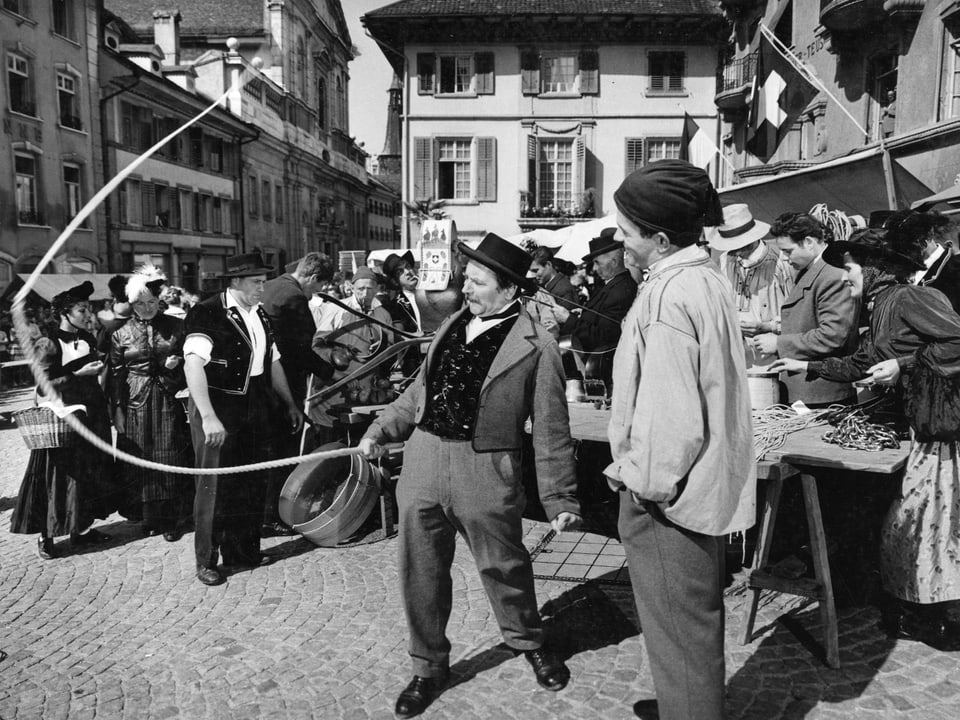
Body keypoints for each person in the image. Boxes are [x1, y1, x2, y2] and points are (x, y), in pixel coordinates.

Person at [359, 233, 581, 719]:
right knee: (420, 570)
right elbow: (417, 393)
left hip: (487, 470)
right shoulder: (450, 327)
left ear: (508, 290)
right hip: (423, 461)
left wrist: (561, 497)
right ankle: (427, 665)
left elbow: (550, 429)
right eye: (467, 280)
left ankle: (527, 638)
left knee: (505, 564)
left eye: (478, 282)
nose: (467, 290)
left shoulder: (537, 345)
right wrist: (380, 429)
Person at [605, 160, 755, 720]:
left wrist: (644, 486)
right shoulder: (704, 277)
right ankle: (687, 705)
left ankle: (689, 710)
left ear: (660, 238)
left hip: (670, 498)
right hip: (697, 485)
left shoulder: (669, 296)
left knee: (677, 628)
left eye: (627, 231)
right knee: (690, 624)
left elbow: (672, 419)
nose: (621, 240)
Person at [770, 228, 960, 649]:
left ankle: (937, 623)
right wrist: (808, 366)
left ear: (876, 268)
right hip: (912, 426)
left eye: (851, 268)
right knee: (907, 524)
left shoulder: (911, 298)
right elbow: (862, 362)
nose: (845, 276)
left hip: (935, 430)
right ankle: (910, 612)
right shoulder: (881, 305)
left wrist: (904, 365)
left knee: (922, 525)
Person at [182, 252, 304, 587]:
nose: (262, 288)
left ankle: (243, 551)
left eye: (264, 282)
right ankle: (206, 560)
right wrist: (208, 417)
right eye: (256, 282)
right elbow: (192, 366)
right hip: (218, 407)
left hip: (256, 405)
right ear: (235, 281)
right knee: (214, 486)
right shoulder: (207, 312)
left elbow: (273, 361)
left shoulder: (259, 313)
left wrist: (290, 404)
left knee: (251, 482)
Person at [10, 281, 120, 559]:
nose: (87, 314)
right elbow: (43, 383)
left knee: (86, 473)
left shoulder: (89, 338)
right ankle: (46, 536)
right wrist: (77, 375)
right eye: (81, 309)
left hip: (91, 413)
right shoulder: (48, 342)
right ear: (65, 312)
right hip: (63, 419)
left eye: (88, 309)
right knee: (57, 476)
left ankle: (80, 530)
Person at [108, 267, 192, 541]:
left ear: (159, 302)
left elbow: (191, 365)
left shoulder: (176, 327)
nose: (146, 308)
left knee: (170, 454)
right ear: (131, 304)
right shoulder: (120, 334)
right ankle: (148, 517)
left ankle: (172, 519)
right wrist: (117, 411)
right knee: (140, 456)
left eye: (152, 303)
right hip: (135, 401)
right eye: (140, 303)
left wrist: (174, 368)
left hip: (167, 398)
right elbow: (116, 376)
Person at [260, 252, 338, 535]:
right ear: (313, 278)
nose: (318, 293)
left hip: (263, 384)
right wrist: (331, 372)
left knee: (266, 451)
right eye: (319, 287)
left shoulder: (270, 286)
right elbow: (302, 350)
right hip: (283, 386)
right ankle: (274, 517)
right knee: (284, 450)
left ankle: (264, 514)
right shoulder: (294, 297)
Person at [753, 212, 860, 406]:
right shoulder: (812, 269)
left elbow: (832, 335)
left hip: (823, 394)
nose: (784, 259)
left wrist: (779, 343)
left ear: (809, 242)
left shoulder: (834, 275)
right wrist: (769, 327)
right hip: (807, 390)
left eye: (788, 251)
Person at [708, 203, 794, 367]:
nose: (734, 252)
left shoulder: (783, 263)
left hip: (775, 361)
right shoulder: (724, 261)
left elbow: (796, 315)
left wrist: (767, 326)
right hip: (734, 359)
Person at [566, 228, 638, 388]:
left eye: (597, 263)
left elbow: (605, 336)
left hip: (604, 373)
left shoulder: (621, 290)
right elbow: (600, 318)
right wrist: (581, 315)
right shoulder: (612, 285)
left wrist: (569, 320)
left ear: (614, 261)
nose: (594, 269)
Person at [884, 210, 960, 313]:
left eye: (905, 248)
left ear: (924, 240)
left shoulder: (954, 271)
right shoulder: (898, 274)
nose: (901, 254)